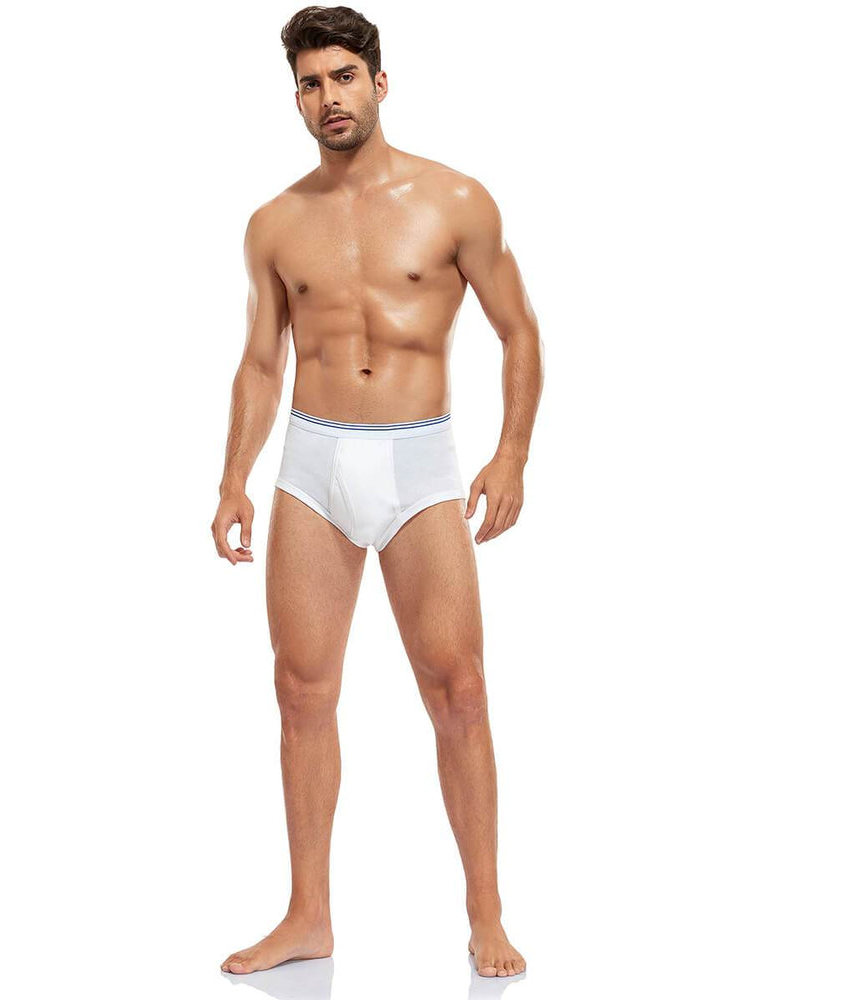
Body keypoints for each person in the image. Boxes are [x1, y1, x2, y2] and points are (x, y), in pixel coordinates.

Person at [213, 4, 543, 980]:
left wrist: (511, 453)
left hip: (417, 462)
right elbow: (260, 362)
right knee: (300, 691)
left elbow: (519, 331)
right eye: (310, 83)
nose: (329, 97)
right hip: (312, 464)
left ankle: (486, 912)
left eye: (343, 77)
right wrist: (233, 478)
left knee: (460, 691)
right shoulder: (274, 223)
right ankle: (307, 916)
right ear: (297, 98)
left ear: (380, 82)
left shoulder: (456, 200)